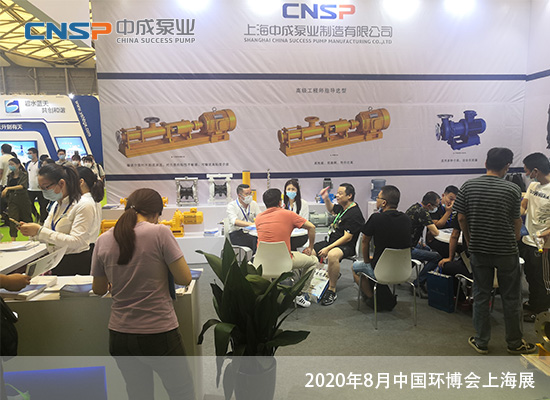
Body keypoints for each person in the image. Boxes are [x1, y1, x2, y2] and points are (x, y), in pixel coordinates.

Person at [91, 188, 194, 400]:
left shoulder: (104, 239)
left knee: (138, 393)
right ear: (156, 213)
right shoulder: (160, 233)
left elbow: (99, 289)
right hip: (159, 331)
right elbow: (184, 278)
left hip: (120, 334)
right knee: (181, 392)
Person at [454, 147, 536, 355]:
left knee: (481, 294)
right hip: (506, 250)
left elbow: (461, 218)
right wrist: (515, 237)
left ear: (485, 163)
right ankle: (514, 343)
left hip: (479, 249)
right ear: (507, 166)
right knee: (511, 297)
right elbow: (516, 220)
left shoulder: (468, 186)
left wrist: (469, 239)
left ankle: (481, 341)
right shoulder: (512, 189)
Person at [18, 163, 98, 275]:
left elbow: (77, 241)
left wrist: (39, 231)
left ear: (61, 183)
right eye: (40, 188)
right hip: (56, 259)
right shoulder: (57, 204)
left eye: (46, 187)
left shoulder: (84, 205)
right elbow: (49, 232)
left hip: (76, 262)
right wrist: (32, 232)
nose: (44, 191)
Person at [255, 188, 318, 307]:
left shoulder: (258, 218)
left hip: (262, 263)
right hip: (284, 262)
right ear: (280, 202)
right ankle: (301, 293)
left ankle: (267, 296)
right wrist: (310, 247)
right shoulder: (288, 214)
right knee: (313, 261)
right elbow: (312, 227)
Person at [352, 185, 411, 310]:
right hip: (403, 270)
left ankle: (371, 298)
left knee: (355, 267)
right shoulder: (406, 219)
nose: (376, 200)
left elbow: (365, 241)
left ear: (384, 203)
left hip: (380, 268)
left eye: (378, 198)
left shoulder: (376, 218)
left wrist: (367, 261)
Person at [313, 183, 365, 306]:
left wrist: (328, 248)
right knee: (311, 252)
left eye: (340, 193)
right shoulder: (343, 207)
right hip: (332, 240)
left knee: (332, 255)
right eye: (337, 193)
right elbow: (331, 209)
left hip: (347, 246)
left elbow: (347, 237)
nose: (337, 195)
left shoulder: (354, 213)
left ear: (349, 196)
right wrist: (326, 198)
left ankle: (332, 289)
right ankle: (320, 280)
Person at [520, 152, 550, 322]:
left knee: (542, 279)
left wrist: (543, 234)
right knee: (530, 275)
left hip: (544, 244)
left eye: (527, 171)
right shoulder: (533, 186)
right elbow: (523, 206)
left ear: (536, 171)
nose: (526, 174)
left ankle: (540, 312)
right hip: (528, 240)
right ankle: (533, 302)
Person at [405, 191, 442, 298]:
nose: (437, 208)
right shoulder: (423, 212)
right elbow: (435, 232)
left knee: (427, 249)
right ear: (429, 205)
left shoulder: (414, 207)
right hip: (408, 248)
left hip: (405, 243)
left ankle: (405, 270)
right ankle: (418, 283)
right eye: (436, 206)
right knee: (437, 257)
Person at [1, 158, 33, 241]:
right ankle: (13, 239)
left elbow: (22, 186)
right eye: (9, 164)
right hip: (12, 200)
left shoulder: (24, 174)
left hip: (23, 199)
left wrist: (8, 188)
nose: (10, 166)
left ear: (18, 164)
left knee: (27, 218)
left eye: (12, 164)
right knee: (12, 219)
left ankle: (31, 237)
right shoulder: (9, 176)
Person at [226, 183, 261, 253]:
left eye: (250, 193)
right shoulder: (232, 206)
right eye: (247, 194)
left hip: (252, 232)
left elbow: (260, 217)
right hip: (237, 234)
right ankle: (254, 259)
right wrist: (251, 224)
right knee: (255, 240)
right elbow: (235, 221)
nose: (249, 196)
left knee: (263, 238)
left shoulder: (253, 204)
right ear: (240, 196)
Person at [428, 185, 459, 258]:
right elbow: (437, 225)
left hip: (450, 237)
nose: (452, 202)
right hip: (436, 239)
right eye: (450, 199)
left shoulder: (456, 208)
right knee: (448, 250)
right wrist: (448, 212)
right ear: (443, 195)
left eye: (455, 200)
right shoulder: (435, 207)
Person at [77, 166, 104, 251]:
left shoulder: (84, 201)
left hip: (84, 247)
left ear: (81, 182)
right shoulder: (93, 198)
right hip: (91, 243)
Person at [283, 178, 310, 251]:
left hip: (300, 234)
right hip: (285, 233)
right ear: (285, 191)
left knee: (290, 243)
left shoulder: (304, 204)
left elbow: (305, 221)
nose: (290, 191)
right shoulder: (282, 204)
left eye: (293, 189)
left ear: (297, 190)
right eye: (288, 189)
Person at [25, 147, 48, 224]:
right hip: (30, 188)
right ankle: (36, 215)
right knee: (29, 204)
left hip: (40, 188)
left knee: (43, 205)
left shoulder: (40, 163)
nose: (29, 155)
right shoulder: (28, 164)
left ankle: (43, 220)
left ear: (35, 154)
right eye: (28, 153)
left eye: (30, 153)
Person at [0, 144, 13, 226]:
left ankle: (6, 220)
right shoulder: (13, 158)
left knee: (2, 203)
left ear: (2, 150)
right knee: (10, 203)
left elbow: (0, 172)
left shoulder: (1, 158)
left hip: (3, 184)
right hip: (12, 184)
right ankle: (10, 219)